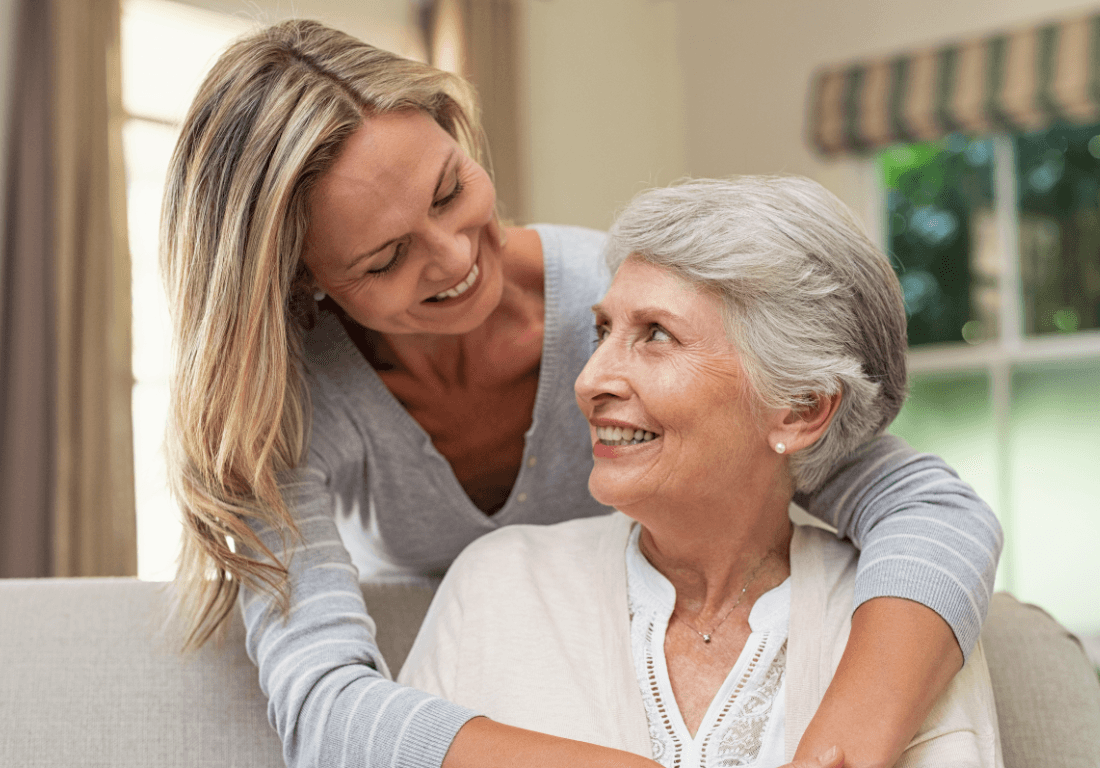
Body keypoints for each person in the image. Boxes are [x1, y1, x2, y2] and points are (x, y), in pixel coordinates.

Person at [160, 19, 1001, 768]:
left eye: (450, 192)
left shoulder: (621, 299)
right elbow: (324, 711)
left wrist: (841, 744)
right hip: (454, 690)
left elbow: (922, 504)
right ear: (304, 281)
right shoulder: (283, 407)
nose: (456, 257)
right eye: (385, 259)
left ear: (457, 131)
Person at [399, 176, 1003, 767]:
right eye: (602, 331)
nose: (588, 380)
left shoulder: (901, 619)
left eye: (657, 335)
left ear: (801, 409)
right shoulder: (497, 584)